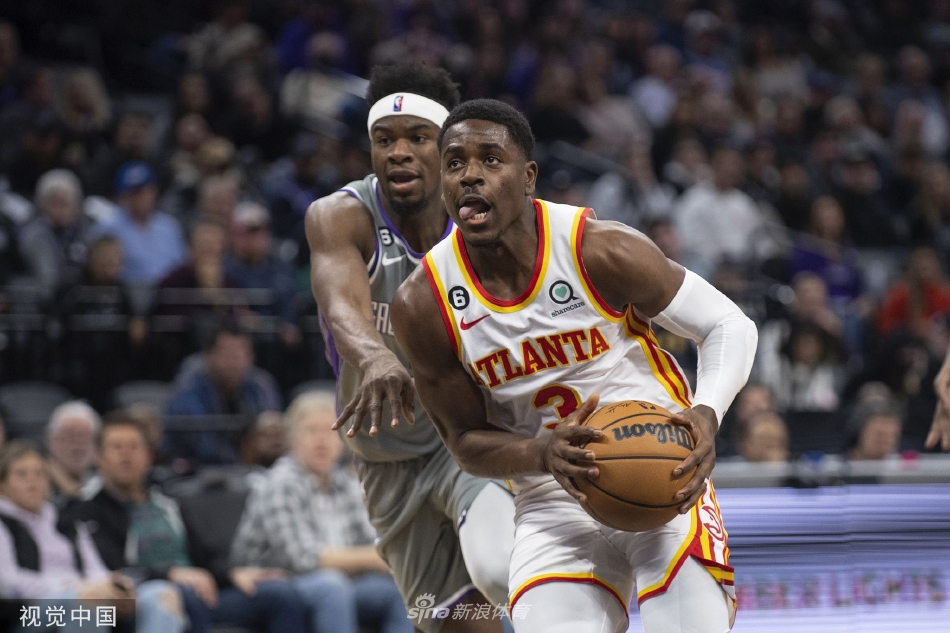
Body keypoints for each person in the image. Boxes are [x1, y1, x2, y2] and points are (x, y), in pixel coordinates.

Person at [391, 99, 758, 633]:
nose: (470, 175)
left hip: (662, 467)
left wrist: (706, 412)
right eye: (454, 163)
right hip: (549, 497)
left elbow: (729, 324)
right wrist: (540, 453)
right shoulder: (423, 304)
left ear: (527, 177)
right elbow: (465, 441)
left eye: (490, 159)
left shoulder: (599, 249)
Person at [305, 62, 514, 633]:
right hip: (385, 458)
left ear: (447, 150)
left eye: (417, 138)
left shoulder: (481, 222)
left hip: (467, 435)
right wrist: (375, 357)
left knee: (498, 570)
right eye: (384, 140)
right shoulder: (339, 216)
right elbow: (340, 304)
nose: (398, 152)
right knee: (449, 621)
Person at [71, 413, 307, 633]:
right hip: (143, 598)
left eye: (134, 446)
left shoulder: (168, 502)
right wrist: (171, 574)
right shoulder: (89, 509)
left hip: (198, 591)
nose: (126, 455)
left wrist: (231, 575)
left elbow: (202, 555)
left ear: (149, 456)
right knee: (183, 594)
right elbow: (110, 571)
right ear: (99, 457)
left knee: (280, 595)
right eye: (116, 447)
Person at [231, 391, 411, 633]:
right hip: (279, 584)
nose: (321, 441)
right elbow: (303, 559)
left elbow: (373, 540)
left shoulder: (345, 484)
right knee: (332, 586)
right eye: (311, 431)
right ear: (292, 440)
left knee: (399, 589)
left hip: (342, 581)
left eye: (330, 430)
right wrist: (376, 558)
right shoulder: (280, 483)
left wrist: (384, 558)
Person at [0, 440, 181, 633]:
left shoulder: (65, 518)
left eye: (39, 474)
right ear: (2, 484)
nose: (33, 482)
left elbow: (95, 568)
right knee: (88, 603)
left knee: (161, 594)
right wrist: (73, 589)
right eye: (21, 475)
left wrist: (114, 587)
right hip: (26, 613)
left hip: (86, 596)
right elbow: (7, 582)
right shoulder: (3, 522)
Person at [165, 321, 282, 467]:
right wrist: (242, 460)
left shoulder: (260, 385)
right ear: (208, 356)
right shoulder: (188, 387)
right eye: (227, 353)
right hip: (199, 470)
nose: (235, 361)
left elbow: (273, 428)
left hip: (254, 470)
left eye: (241, 353)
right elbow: (203, 446)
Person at [92, 161, 188, 285]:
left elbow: (182, 264)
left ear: (154, 191)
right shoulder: (107, 228)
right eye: (134, 193)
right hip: (128, 291)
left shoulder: (170, 227)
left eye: (145, 191)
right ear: (123, 196)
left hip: (168, 292)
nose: (141, 198)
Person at [46, 401, 100, 504]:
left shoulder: (108, 479)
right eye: (70, 437)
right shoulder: (37, 478)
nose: (77, 446)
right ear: (52, 441)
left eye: (83, 436)